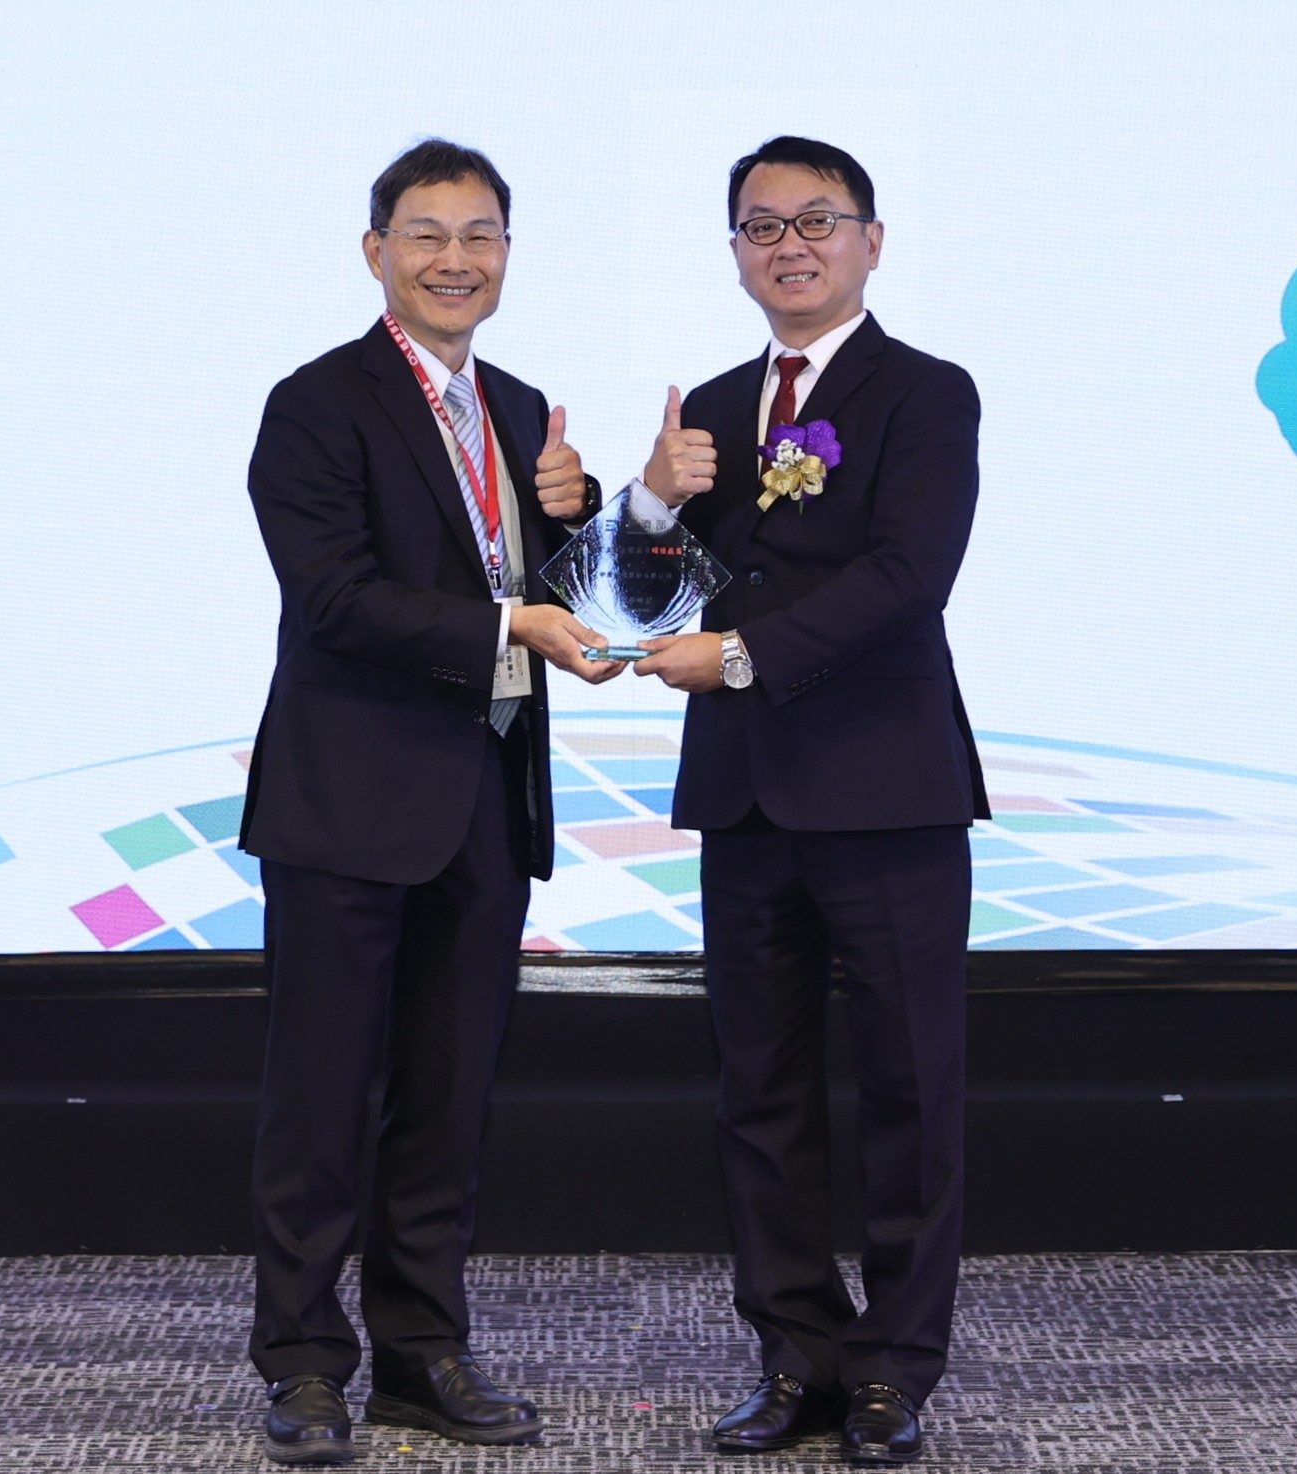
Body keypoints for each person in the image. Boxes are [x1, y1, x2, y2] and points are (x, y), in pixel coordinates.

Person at [238, 137, 616, 1466]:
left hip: (484, 801)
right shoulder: (315, 404)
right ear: (376, 252)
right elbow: (336, 599)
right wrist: (514, 617)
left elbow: (555, 589)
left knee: (448, 1101)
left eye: (480, 236)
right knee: (320, 1102)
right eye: (427, 234)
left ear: (507, 254)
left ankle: (420, 1353)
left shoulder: (520, 408)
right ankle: (302, 1362)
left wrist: (591, 512)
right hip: (348, 803)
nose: (456, 260)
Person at [630, 135, 988, 1466]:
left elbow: (907, 577)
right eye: (762, 225)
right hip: (745, 796)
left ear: (870, 241)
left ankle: (894, 1368)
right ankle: (796, 1354)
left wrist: (737, 656)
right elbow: (649, 598)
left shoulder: (927, 393)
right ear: (735, 252)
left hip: (887, 790)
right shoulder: (713, 408)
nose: (790, 244)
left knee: (908, 1089)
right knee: (760, 1094)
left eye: (816, 220)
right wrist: (647, 505)